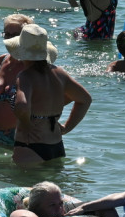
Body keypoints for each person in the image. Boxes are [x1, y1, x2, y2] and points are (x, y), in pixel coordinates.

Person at [8, 24, 92, 164]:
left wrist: (27, 125)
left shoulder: (25, 76)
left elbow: (22, 106)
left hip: (30, 145)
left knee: (25, 184)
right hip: (56, 144)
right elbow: (85, 99)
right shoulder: (59, 73)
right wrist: (66, 128)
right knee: (53, 186)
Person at [0, 13, 34, 147]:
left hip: (23, 136)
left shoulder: (31, 65)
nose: (9, 39)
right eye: (7, 34)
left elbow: (56, 95)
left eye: (15, 35)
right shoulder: (2, 60)